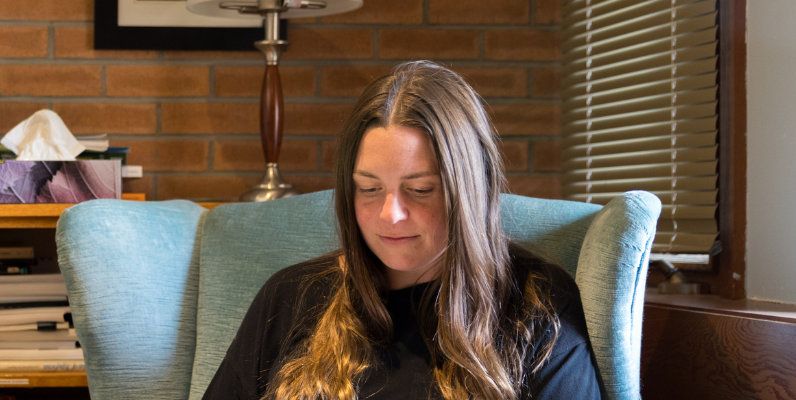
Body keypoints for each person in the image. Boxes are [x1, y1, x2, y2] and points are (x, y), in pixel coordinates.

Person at [201, 61, 601, 399]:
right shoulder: (289, 296)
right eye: (369, 189)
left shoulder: (538, 307)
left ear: (469, 192)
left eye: (420, 190)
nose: (390, 214)